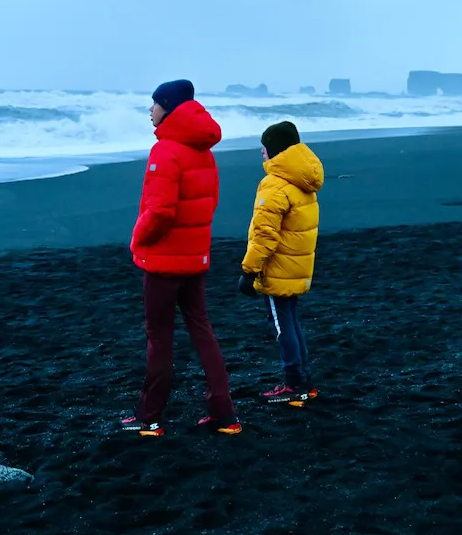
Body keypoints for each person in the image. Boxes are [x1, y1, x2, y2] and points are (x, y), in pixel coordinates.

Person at [120, 79, 242, 437]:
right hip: (195, 257)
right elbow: (207, 204)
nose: (150, 110)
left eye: (155, 104)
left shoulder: (167, 150)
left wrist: (136, 242)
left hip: (162, 261)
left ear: (169, 106)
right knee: (202, 329)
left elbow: (160, 212)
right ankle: (224, 413)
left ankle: (149, 417)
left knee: (159, 337)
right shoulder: (203, 150)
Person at [238, 120, 324, 407]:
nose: (261, 153)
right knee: (292, 322)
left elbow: (264, 235)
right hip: (297, 265)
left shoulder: (274, 184)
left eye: (264, 148)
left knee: (282, 325)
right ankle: (304, 381)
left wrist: (248, 270)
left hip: (277, 268)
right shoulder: (304, 181)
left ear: (274, 150)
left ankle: (294, 383)